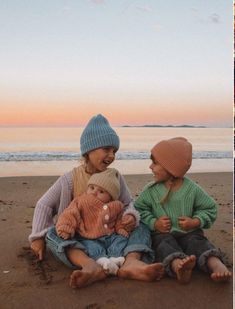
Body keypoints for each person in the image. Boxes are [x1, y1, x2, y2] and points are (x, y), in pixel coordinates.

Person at [29, 114, 164, 288]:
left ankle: (131, 262)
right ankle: (90, 266)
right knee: (53, 234)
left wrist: (130, 216)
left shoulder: (115, 176)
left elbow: (127, 203)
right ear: (89, 149)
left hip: (115, 237)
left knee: (142, 224)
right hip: (84, 241)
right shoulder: (70, 179)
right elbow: (44, 205)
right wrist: (37, 238)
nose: (111, 155)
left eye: (114, 151)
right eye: (106, 149)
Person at [134, 137, 232, 284]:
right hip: (162, 235)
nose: (150, 167)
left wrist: (195, 221)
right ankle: (178, 266)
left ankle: (215, 264)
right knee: (162, 245)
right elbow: (139, 209)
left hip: (190, 234)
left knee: (198, 243)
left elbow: (209, 208)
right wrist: (154, 223)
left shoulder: (191, 189)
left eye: (155, 162)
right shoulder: (151, 190)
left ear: (170, 167)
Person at [56, 168, 132, 275]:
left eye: (101, 191)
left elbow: (118, 218)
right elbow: (69, 214)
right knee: (91, 246)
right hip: (88, 236)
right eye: (92, 188)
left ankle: (115, 257)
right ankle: (101, 260)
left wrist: (120, 228)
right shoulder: (81, 200)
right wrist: (66, 228)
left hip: (110, 235)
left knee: (121, 239)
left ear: (110, 197)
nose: (94, 192)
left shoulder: (116, 205)